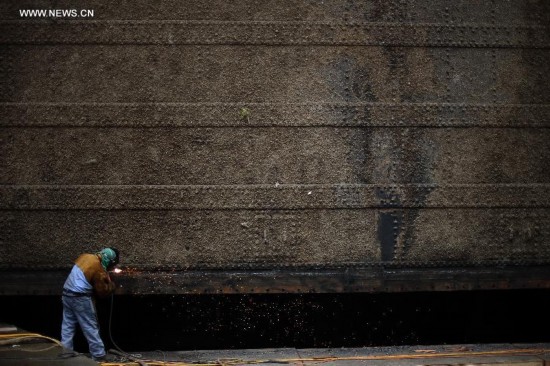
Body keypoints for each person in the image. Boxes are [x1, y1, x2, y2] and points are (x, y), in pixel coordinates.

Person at [61, 247, 120, 362]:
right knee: (89, 325)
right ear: (110, 260)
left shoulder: (85, 256)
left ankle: (65, 352)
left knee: (68, 325)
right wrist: (112, 285)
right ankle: (98, 355)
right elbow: (102, 292)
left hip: (66, 294)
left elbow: (86, 276)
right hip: (80, 297)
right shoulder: (98, 269)